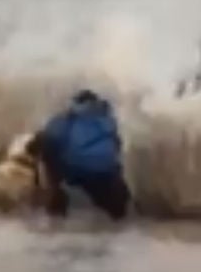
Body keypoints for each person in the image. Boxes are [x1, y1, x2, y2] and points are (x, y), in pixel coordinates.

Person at [27, 89, 131, 221]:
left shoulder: (65, 119)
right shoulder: (109, 120)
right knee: (115, 193)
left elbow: (35, 145)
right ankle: (121, 218)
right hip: (106, 174)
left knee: (46, 146)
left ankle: (55, 201)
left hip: (75, 170)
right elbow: (117, 146)